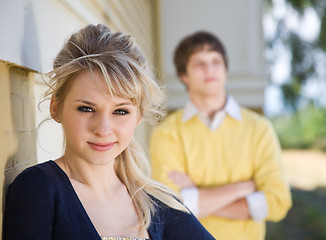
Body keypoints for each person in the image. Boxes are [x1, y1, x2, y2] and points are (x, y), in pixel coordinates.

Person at [3, 24, 215, 240]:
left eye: (120, 111)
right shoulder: (38, 190)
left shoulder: (158, 203)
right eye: (86, 109)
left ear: (138, 117)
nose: (103, 129)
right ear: (56, 107)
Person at [149, 31, 292, 240]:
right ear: (184, 75)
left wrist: (195, 195)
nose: (210, 68)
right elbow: (170, 208)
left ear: (225, 69)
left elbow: (278, 203)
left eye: (216, 61)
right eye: (199, 63)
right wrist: (244, 187)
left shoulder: (259, 128)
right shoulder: (167, 133)